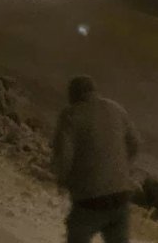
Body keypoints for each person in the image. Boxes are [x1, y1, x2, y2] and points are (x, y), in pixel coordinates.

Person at [51, 76, 141, 243]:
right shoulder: (116, 109)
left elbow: (64, 156)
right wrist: (123, 168)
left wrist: (62, 181)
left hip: (89, 198)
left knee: (77, 236)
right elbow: (135, 143)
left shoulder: (71, 115)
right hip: (120, 194)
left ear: (73, 95)